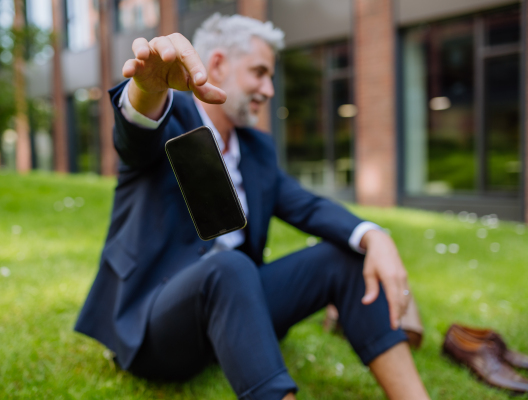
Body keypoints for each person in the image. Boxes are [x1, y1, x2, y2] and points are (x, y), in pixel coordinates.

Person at [75, 13, 430, 400]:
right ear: (218, 65)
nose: (269, 89)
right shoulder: (167, 116)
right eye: (259, 73)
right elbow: (134, 135)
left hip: (235, 311)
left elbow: (307, 207)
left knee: (344, 254)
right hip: (155, 325)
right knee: (228, 266)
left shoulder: (256, 149)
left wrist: (374, 236)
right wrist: (147, 89)